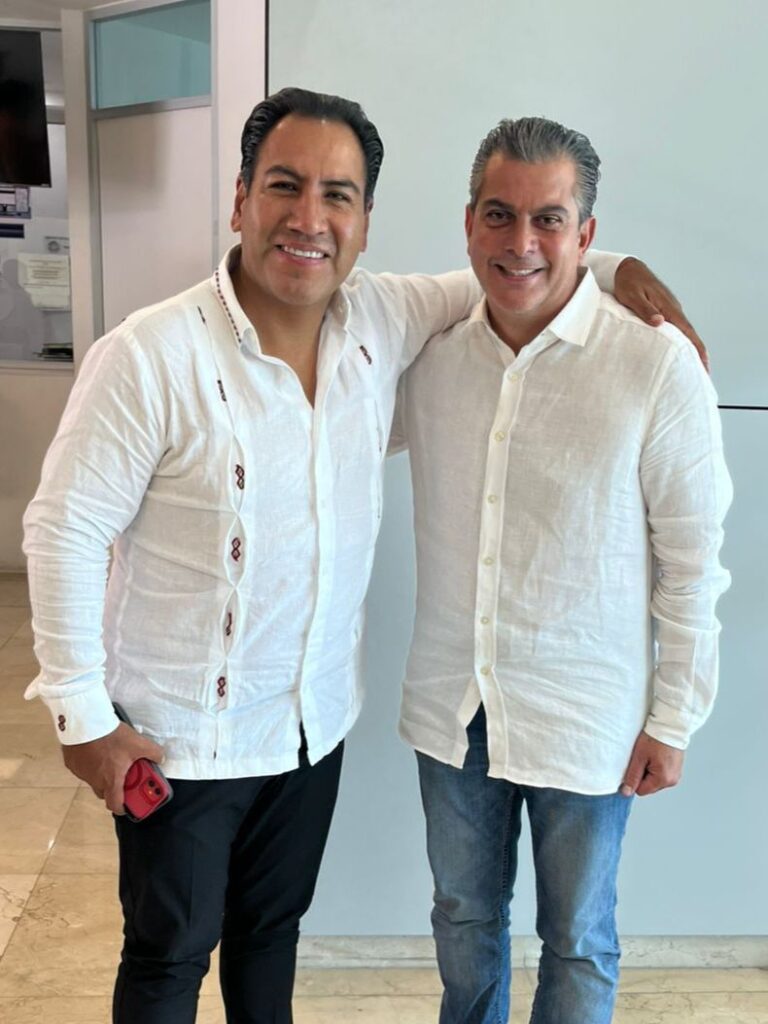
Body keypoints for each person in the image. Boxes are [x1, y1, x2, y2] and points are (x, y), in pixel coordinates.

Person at [23, 88, 705, 1024]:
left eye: (337, 195)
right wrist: (82, 716)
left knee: (272, 936)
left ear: (366, 220)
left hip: (308, 727)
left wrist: (615, 265)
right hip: (182, 735)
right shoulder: (150, 355)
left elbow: (515, 268)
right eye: (284, 186)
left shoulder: (381, 323)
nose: (309, 218)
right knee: (168, 956)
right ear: (240, 200)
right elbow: (63, 529)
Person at [391, 116, 732, 1024]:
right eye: (499, 215)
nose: (521, 242)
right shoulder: (428, 356)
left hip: (588, 712)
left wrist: (674, 716)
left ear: (586, 232)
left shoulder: (654, 364)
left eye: (549, 219)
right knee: (463, 918)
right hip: (452, 704)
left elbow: (693, 562)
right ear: (469, 222)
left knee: (579, 936)